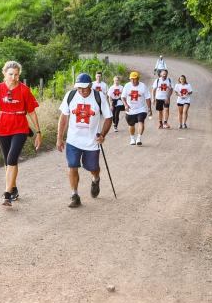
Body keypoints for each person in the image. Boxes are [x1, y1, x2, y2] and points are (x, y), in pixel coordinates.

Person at [0, 60, 42, 207]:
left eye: (16, 75)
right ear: (4, 73)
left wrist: (39, 132)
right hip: (3, 127)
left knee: (11, 159)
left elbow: (32, 112)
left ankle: (7, 194)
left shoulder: (24, 90)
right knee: (7, 161)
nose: (14, 77)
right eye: (10, 74)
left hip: (20, 127)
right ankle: (13, 188)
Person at [56, 73, 112, 208]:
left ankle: (95, 179)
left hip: (91, 141)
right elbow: (64, 117)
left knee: (93, 167)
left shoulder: (99, 97)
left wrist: (102, 134)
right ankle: (74, 195)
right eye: (79, 88)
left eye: (84, 88)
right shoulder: (71, 95)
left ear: (91, 86)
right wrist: (59, 138)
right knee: (72, 166)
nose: (81, 91)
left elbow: (108, 117)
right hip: (73, 140)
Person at [121, 71, 151, 145]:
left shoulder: (143, 86)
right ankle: (132, 138)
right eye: (131, 79)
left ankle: (139, 138)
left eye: (134, 79)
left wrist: (149, 108)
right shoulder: (127, 86)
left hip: (141, 108)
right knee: (131, 125)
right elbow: (123, 97)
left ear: (138, 79)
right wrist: (125, 105)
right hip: (130, 109)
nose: (133, 81)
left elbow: (147, 98)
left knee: (141, 121)